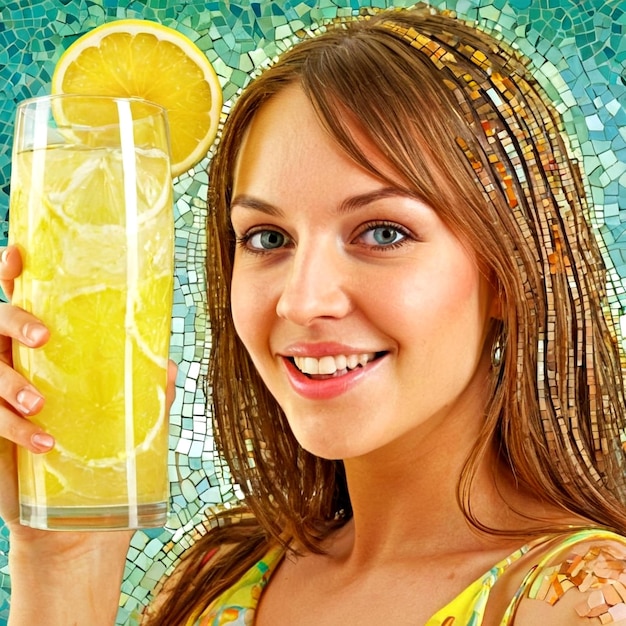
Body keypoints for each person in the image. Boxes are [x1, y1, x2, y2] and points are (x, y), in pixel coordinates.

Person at [2, 4, 626, 625]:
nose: (302, 301)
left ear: (510, 273)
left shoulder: (582, 599)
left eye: (382, 233)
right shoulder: (215, 577)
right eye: (267, 239)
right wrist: (64, 559)